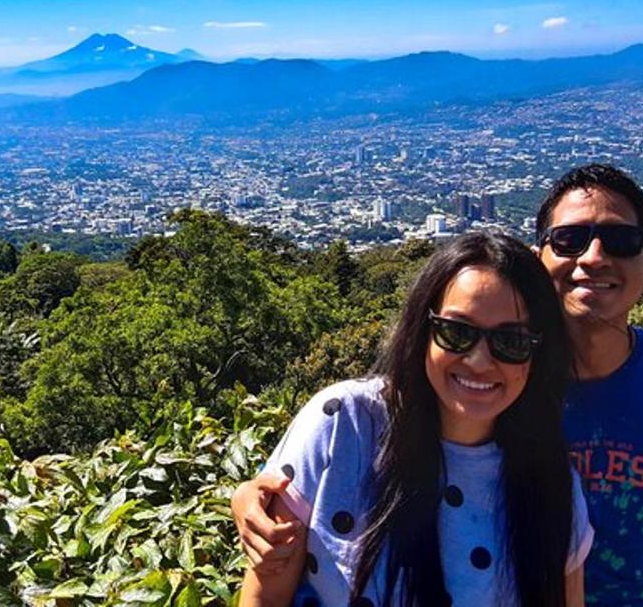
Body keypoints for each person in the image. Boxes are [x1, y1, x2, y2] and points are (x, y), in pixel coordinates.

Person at [234, 164, 643, 606]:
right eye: (570, 240)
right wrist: (261, 501)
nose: (594, 257)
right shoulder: (482, 385)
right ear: (536, 257)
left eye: (621, 242)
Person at [239, 231, 593, 606]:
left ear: (537, 355)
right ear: (424, 330)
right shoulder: (344, 425)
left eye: (512, 342)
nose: (478, 360)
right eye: (457, 333)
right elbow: (264, 596)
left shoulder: (551, 485)